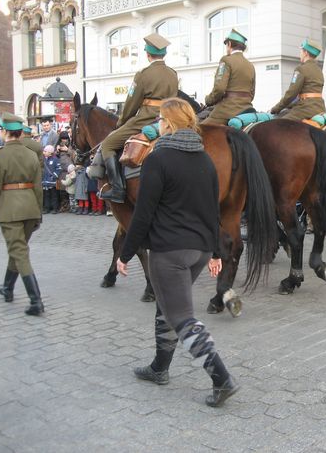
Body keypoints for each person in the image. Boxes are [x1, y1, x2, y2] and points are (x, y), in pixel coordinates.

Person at [117, 97, 239, 407]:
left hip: (169, 251)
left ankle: (221, 378)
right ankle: (160, 367)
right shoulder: (205, 160)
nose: (157, 124)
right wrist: (214, 253)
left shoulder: (158, 159)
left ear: (169, 124)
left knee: (182, 316)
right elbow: (214, 211)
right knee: (168, 306)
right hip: (198, 250)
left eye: (160, 119)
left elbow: (143, 213)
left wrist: (126, 253)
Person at [99, 33, 179, 203]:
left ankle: (117, 189)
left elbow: (131, 103)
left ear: (147, 54)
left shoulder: (143, 74)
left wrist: (121, 122)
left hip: (145, 119)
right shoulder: (173, 74)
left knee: (107, 144)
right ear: (164, 53)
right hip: (167, 120)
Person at [0, 113, 44, 315]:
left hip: (10, 210)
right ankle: (7, 288)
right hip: (31, 209)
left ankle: (36, 301)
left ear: (5, 131)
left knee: (19, 252)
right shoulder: (31, 155)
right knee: (18, 250)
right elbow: (38, 188)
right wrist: (39, 214)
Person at [202, 29, 255, 126]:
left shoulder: (226, 60)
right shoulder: (250, 65)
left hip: (227, 110)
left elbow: (219, 89)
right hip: (247, 109)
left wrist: (208, 100)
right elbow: (252, 92)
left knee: (199, 129)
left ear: (229, 44)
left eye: (226, 45)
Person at [271, 39, 326, 121]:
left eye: (301, 51)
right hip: (320, 108)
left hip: (306, 109)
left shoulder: (301, 69)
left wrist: (276, 108)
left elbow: (291, 94)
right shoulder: (319, 71)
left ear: (306, 53)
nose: (300, 54)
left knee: (278, 123)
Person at [41, 145, 60, 214]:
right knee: (46, 196)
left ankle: (55, 208)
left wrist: (54, 176)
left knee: (54, 195)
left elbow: (58, 169)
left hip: (52, 182)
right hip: (45, 181)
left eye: (45, 151)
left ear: (50, 152)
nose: (44, 152)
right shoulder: (43, 160)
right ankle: (46, 208)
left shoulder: (55, 159)